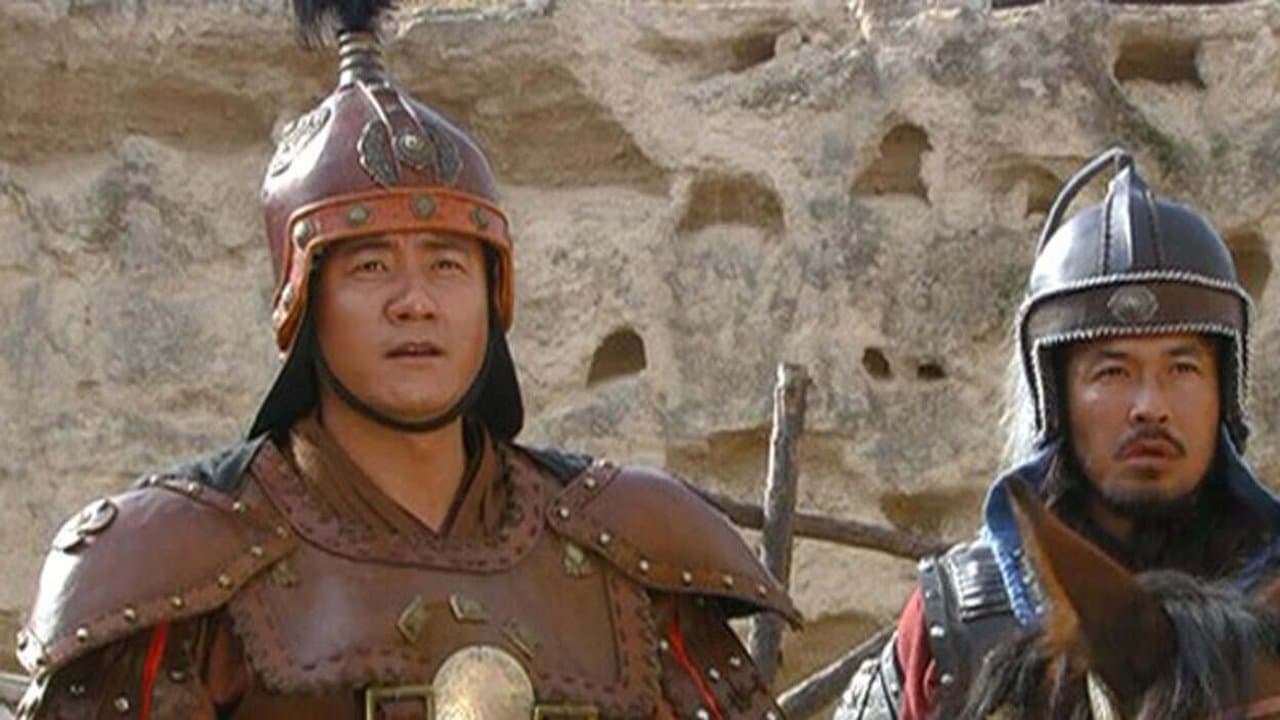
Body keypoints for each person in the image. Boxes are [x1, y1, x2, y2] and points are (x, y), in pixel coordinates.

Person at [13, 2, 799, 717]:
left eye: (448, 264)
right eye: (370, 266)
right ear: (301, 300)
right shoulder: (178, 572)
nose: (415, 301)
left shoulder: (627, 554)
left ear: (493, 294)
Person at [834, 147, 1280, 720]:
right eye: (1112, 372)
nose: (1150, 407)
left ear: (1223, 391)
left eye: (1183, 368)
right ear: (1056, 399)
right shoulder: (960, 626)